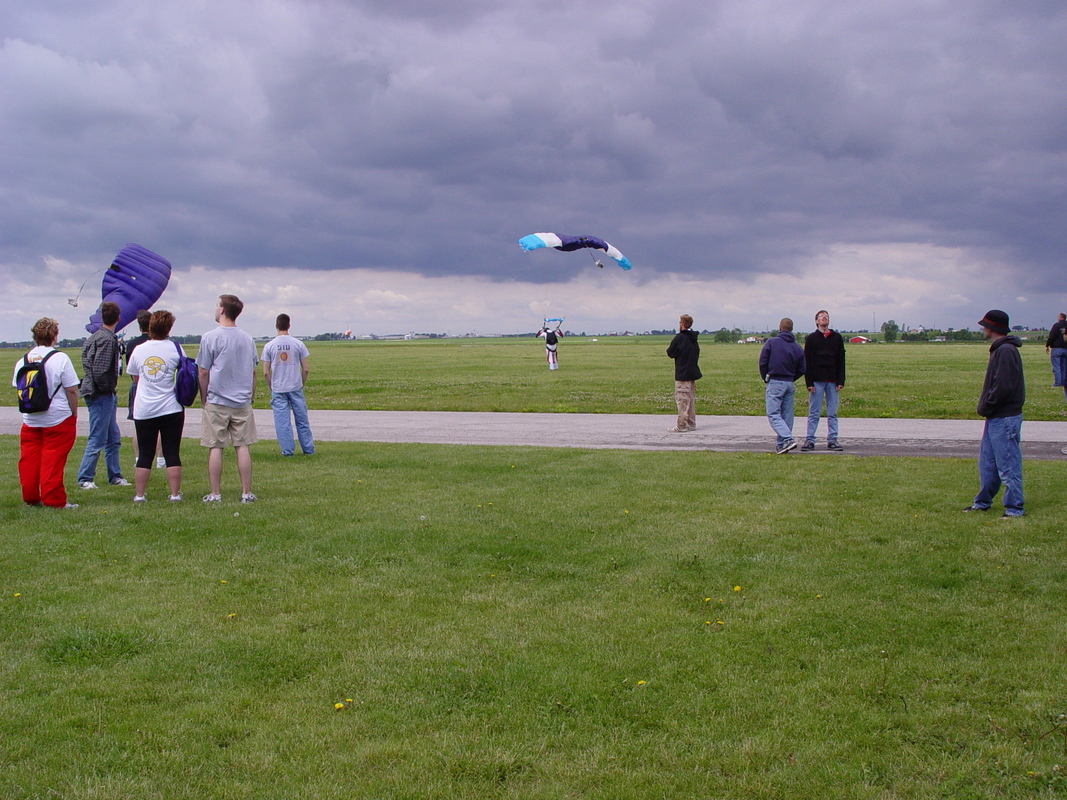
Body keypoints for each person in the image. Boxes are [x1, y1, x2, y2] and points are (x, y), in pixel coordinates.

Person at [12, 318, 81, 509]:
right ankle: (54, 500)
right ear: (54, 336)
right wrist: (73, 414)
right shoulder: (60, 358)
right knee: (53, 460)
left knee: (29, 459)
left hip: (31, 417)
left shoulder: (22, 360)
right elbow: (71, 390)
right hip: (57, 417)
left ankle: (31, 496)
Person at [196, 294, 259, 503]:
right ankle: (246, 492)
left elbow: (203, 371)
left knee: (216, 446)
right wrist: (251, 395)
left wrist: (204, 397)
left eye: (217, 305)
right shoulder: (247, 338)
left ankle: (215, 493)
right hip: (241, 400)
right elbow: (253, 371)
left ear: (222, 310)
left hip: (217, 399)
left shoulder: (210, 337)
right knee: (242, 446)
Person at [964, 310, 1025, 518]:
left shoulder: (1006, 350)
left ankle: (1014, 508)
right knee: (988, 465)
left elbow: (1003, 386)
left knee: (1008, 465)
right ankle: (982, 503)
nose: (982, 328)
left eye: (985, 325)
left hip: (1005, 417)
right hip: (995, 417)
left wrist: (986, 406)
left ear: (993, 327)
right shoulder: (1000, 349)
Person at [127, 310, 185, 502]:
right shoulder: (175, 348)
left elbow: (135, 378)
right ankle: (175, 494)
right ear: (169, 328)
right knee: (171, 452)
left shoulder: (139, 350)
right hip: (171, 407)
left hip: (144, 408)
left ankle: (140, 494)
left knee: (145, 454)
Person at [76, 300, 130, 489]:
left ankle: (114, 474)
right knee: (98, 437)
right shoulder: (107, 339)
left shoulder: (94, 336)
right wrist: (107, 388)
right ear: (118, 318)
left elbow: (86, 361)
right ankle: (85, 478)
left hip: (97, 391)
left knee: (113, 437)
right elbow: (99, 370)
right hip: (101, 394)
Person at [262, 313, 315, 456]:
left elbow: (266, 371)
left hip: (278, 388)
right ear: (289, 325)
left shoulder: (269, 346)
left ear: (276, 326)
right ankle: (308, 449)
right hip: (295, 386)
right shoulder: (298, 344)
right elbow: (305, 368)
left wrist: (271, 386)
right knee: (302, 420)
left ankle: (287, 451)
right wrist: (301, 383)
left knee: (282, 422)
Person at [759, 318, 806, 454]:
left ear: (780, 328)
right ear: (791, 329)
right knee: (787, 415)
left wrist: (765, 377)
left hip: (775, 381)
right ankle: (781, 444)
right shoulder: (797, 347)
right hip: (789, 383)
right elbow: (802, 368)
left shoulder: (771, 342)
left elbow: (763, 362)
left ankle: (788, 439)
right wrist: (792, 377)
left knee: (773, 414)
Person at [802, 310, 846, 451]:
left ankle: (832, 439)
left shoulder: (836, 338)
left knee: (832, 412)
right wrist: (809, 382)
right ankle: (810, 440)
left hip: (832, 380)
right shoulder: (811, 339)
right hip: (817, 381)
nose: (824, 318)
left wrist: (841, 380)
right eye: (821, 317)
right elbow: (807, 361)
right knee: (814, 412)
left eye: (826, 316)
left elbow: (841, 360)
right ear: (816, 321)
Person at [666, 314, 701, 432]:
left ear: (682, 324)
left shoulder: (680, 338)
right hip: (692, 372)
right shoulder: (694, 338)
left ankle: (681, 425)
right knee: (690, 400)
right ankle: (691, 423)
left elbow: (670, 352)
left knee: (682, 400)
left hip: (682, 373)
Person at [1044, 312, 1067, 399]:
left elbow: (1052, 336)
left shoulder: (1057, 326)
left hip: (1057, 348)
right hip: (1066, 349)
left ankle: (1058, 382)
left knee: (1056, 366)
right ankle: (1064, 381)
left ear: (1060, 317)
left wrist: (1047, 345)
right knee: (1064, 366)